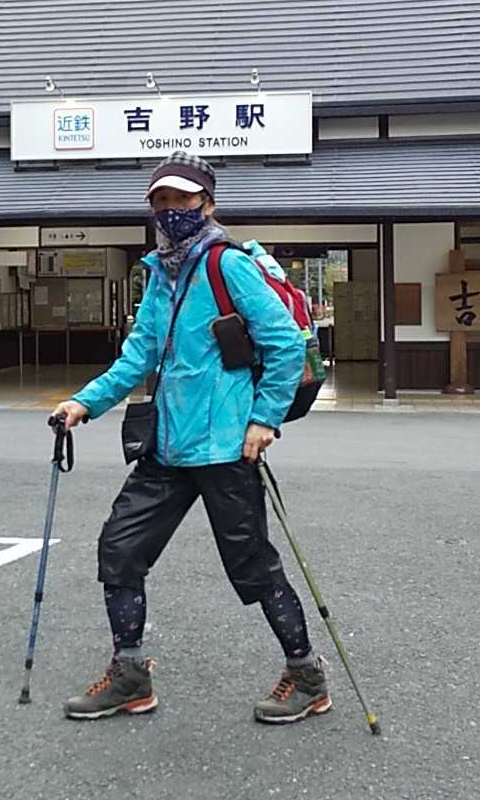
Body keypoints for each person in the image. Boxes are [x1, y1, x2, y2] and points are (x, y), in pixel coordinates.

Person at [51, 152, 318, 726]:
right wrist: (84, 402)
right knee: (120, 549)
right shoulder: (160, 275)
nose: (171, 209)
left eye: (182, 198)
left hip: (227, 448)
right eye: (161, 200)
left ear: (207, 204)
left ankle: (306, 675)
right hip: (168, 447)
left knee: (253, 566)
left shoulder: (228, 265)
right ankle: (130, 676)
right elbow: (138, 356)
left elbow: (284, 343)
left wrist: (264, 420)